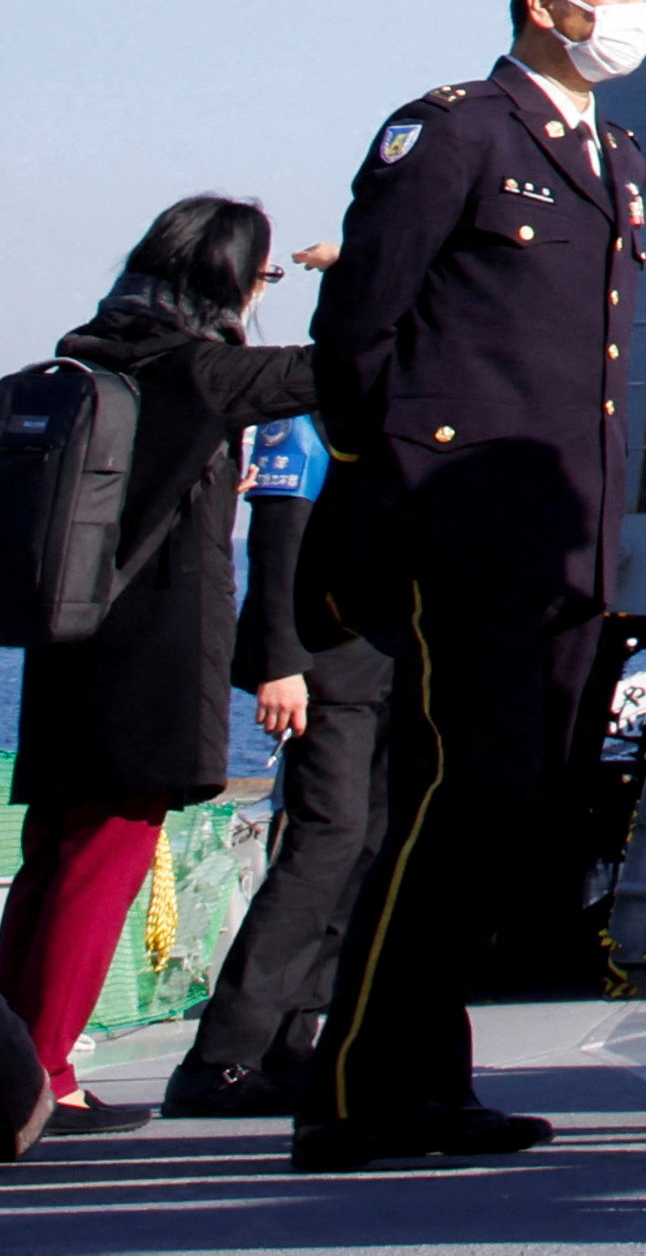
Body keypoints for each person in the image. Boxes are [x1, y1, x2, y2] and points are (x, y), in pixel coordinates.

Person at [293, 0, 646, 1173]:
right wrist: (399, 494)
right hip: (466, 533)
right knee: (462, 788)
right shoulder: (455, 130)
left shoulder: (612, 153)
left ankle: (424, 1076)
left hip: (563, 535)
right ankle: (358, 1089)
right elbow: (357, 331)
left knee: (505, 805)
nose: (637, 11)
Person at [3, 200, 326, 1127]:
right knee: (106, 858)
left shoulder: (89, 352)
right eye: (264, 279)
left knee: (51, 858)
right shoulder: (200, 370)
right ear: (228, 277)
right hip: (151, 653)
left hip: (65, 638)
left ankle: (13, 1063)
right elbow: (337, 371)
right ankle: (43, 1076)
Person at [163, 384, 382, 1114]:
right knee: (327, 838)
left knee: (365, 846)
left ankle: (292, 1039)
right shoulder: (313, 416)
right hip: (326, 667)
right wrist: (278, 662)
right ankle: (220, 1055)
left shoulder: (413, 401)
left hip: (389, 664)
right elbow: (279, 541)